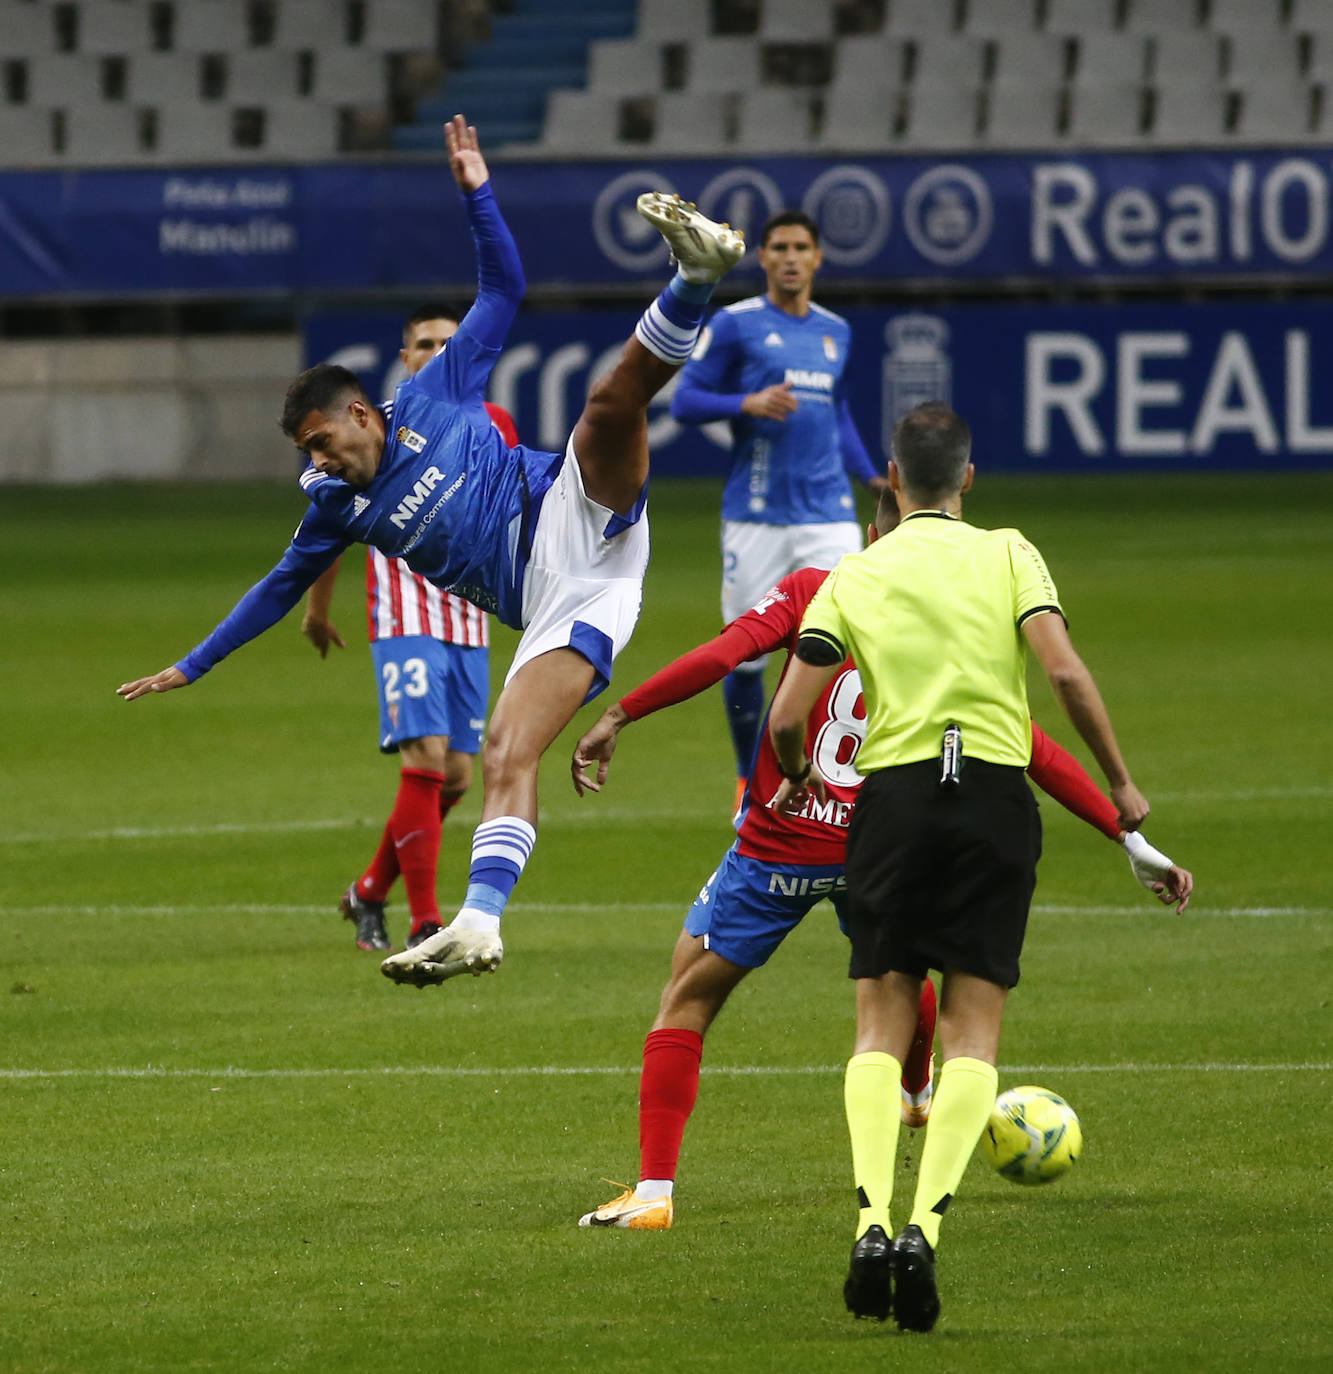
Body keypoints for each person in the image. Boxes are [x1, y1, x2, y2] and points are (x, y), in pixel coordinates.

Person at [116, 115, 745, 989]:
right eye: (305, 451)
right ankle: (480, 924)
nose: (316, 459)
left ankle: (695, 278)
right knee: (503, 752)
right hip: (568, 601)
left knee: (607, 408)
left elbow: (505, 286)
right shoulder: (336, 505)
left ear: (361, 413)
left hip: (572, 511)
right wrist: (195, 663)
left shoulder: (433, 391)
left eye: (318, 438)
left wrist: (477, 192)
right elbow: (277, 586)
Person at [568, 495, 1191, 1232]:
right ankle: (920, 1088)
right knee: (901, 966)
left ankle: (652, 1193)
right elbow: (1031, 748)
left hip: (780, 847)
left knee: (686, 1002)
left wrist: (619, 713)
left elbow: (724, 656)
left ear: (871, 534)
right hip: (877, 846)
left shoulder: (819, 591)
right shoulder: (950, 624)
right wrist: (1124, 836)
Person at [767, 402, 1190, 1332]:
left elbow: (787, 720)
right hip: (994, 800)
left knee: (880, 1025)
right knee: (971, 1033)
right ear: (967, 478)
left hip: (892, 803)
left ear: (889, 479)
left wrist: (798, 778)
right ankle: (925, 1229)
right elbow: (1067, 674)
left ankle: (872, 1220)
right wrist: (1118, 787)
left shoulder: (856, 571)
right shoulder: (1008, 551)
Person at [300, 303, 518, 954]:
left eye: (449, 343)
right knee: (423, 759)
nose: (436, 353)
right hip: (405, 612)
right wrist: (317, 608)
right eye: (425, 343)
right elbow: (331, 526)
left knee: (454, 777)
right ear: (406, 359)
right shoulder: (390, 426)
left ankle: (368, 891)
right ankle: (425, 920)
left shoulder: (496, 423)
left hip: (469, 612)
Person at [670, 209, 884, 805]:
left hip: (830, 517)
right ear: (761, 258)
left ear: (818, 258)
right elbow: (685, 402)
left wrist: (869, 476)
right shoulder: (736, 325)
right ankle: (748, 779)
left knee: (846, 647)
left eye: (801, 247)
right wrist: (747, 402)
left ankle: (838, 777)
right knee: (744, 655)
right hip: (755, 516)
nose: (791, 257)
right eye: (779, 247)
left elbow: (836, 410)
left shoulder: (835, 331)